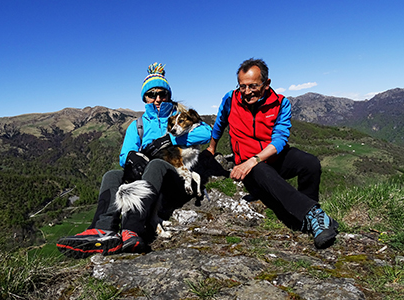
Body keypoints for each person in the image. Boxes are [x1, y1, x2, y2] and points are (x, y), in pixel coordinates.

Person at [57, 62, 212, 258]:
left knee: (157, 164)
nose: (157, 99)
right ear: (144, 98)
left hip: (175, 180)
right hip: (148, 178)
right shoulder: (137, 125)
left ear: (168, 95)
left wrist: (170, 138)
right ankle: (102, 229)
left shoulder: (179, 117)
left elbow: (206, 133)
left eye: (162, 93)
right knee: (112, 175)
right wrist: (132, 156)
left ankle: (133, 229)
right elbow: (124, 156)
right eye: (151, 94)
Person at [207, 58, 338, 249]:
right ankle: (313, 216)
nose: (246, 92)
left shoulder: (280, 103)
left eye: (253, 86)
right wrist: (212, 147)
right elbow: (220, 123)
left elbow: (279, 140)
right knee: (260, 170)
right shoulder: (230, 99)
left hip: (270, 157)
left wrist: (255, 159)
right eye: (242, 86)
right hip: (250, 167)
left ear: (267, 83)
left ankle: (310, 216)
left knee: (310, 163)